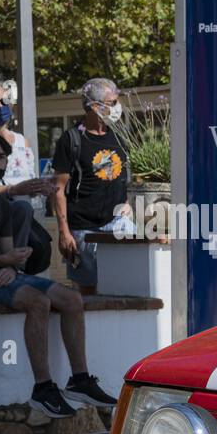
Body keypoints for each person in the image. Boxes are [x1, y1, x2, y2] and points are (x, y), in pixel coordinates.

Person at [0, 133, 116, 417]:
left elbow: (8, 251)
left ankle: (80, 380)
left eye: (0, 157)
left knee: (71, 299)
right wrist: (0, 261)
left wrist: (9, 265)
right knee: (38, 302)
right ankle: (43, 388)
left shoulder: (0, 205)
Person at [50, 78, 136, 294]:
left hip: (116, 223)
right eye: (112, 102)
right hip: (82, 229)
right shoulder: (71, 139)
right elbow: (58, 189)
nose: (118, 107)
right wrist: (64, 232)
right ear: (95, 106)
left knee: (126, 285)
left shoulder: (120, 136)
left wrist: (127, 204)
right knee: (87, 293)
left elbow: (124, 177)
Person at [0, 79, 60, 255]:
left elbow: (29, 185)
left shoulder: (23, 142)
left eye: (5, 101)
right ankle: (10, 265)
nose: (0, 106)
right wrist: (12, 190)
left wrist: (41, 187)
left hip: (27, 223)